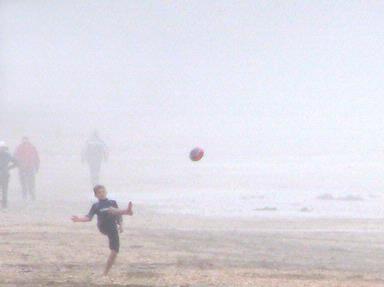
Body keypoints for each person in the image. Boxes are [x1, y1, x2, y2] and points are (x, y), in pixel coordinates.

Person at [71, 185, 133, 276]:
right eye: (99, 192)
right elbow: (88, 218)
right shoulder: (96, 206)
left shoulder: (112, 202)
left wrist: (121, 225)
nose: (102, 194)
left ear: (106, 192)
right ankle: (127, 211)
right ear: (96, 195)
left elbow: (118, 215)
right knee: (111, 210)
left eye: (103, 192)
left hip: (112, 228)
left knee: (115, 251)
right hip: (103, 226)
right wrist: (79, 219)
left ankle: (105, 273)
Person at [0, 141, 17, 208]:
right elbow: (16, 163)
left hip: (5, 175)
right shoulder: (8, 155)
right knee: (4, 189)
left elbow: (16, 162)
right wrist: (9, 168)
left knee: (4, 190)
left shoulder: (8, 155)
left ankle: (4, 203)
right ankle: (4, 204)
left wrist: (9, 168)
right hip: (5, 174)